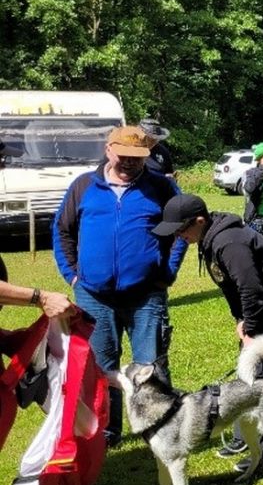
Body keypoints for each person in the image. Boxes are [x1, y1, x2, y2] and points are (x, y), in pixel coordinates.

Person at [53, 125, 186, 447]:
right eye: (123, 155)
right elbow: (62, 230)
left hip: (146, 295)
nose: (129, 162)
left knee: (151, 366)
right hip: (94, 296)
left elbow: (181, 227)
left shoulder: (161, 187)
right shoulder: (84, 186)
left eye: (136, 157)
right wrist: (72, 275)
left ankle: (160, 426)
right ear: (108, 150)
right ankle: (107, 432)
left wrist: (167, 271)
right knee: (101, 367)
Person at [152, 193, 263, 465]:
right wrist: (241, 320)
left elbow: (251, 288)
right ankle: (247, 436)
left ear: (199, 221)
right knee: (252, 369)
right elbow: (232, 287)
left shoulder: (228, 241)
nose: (178, 236)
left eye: (181, 229)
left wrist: (251, 329)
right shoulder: (210, 238)